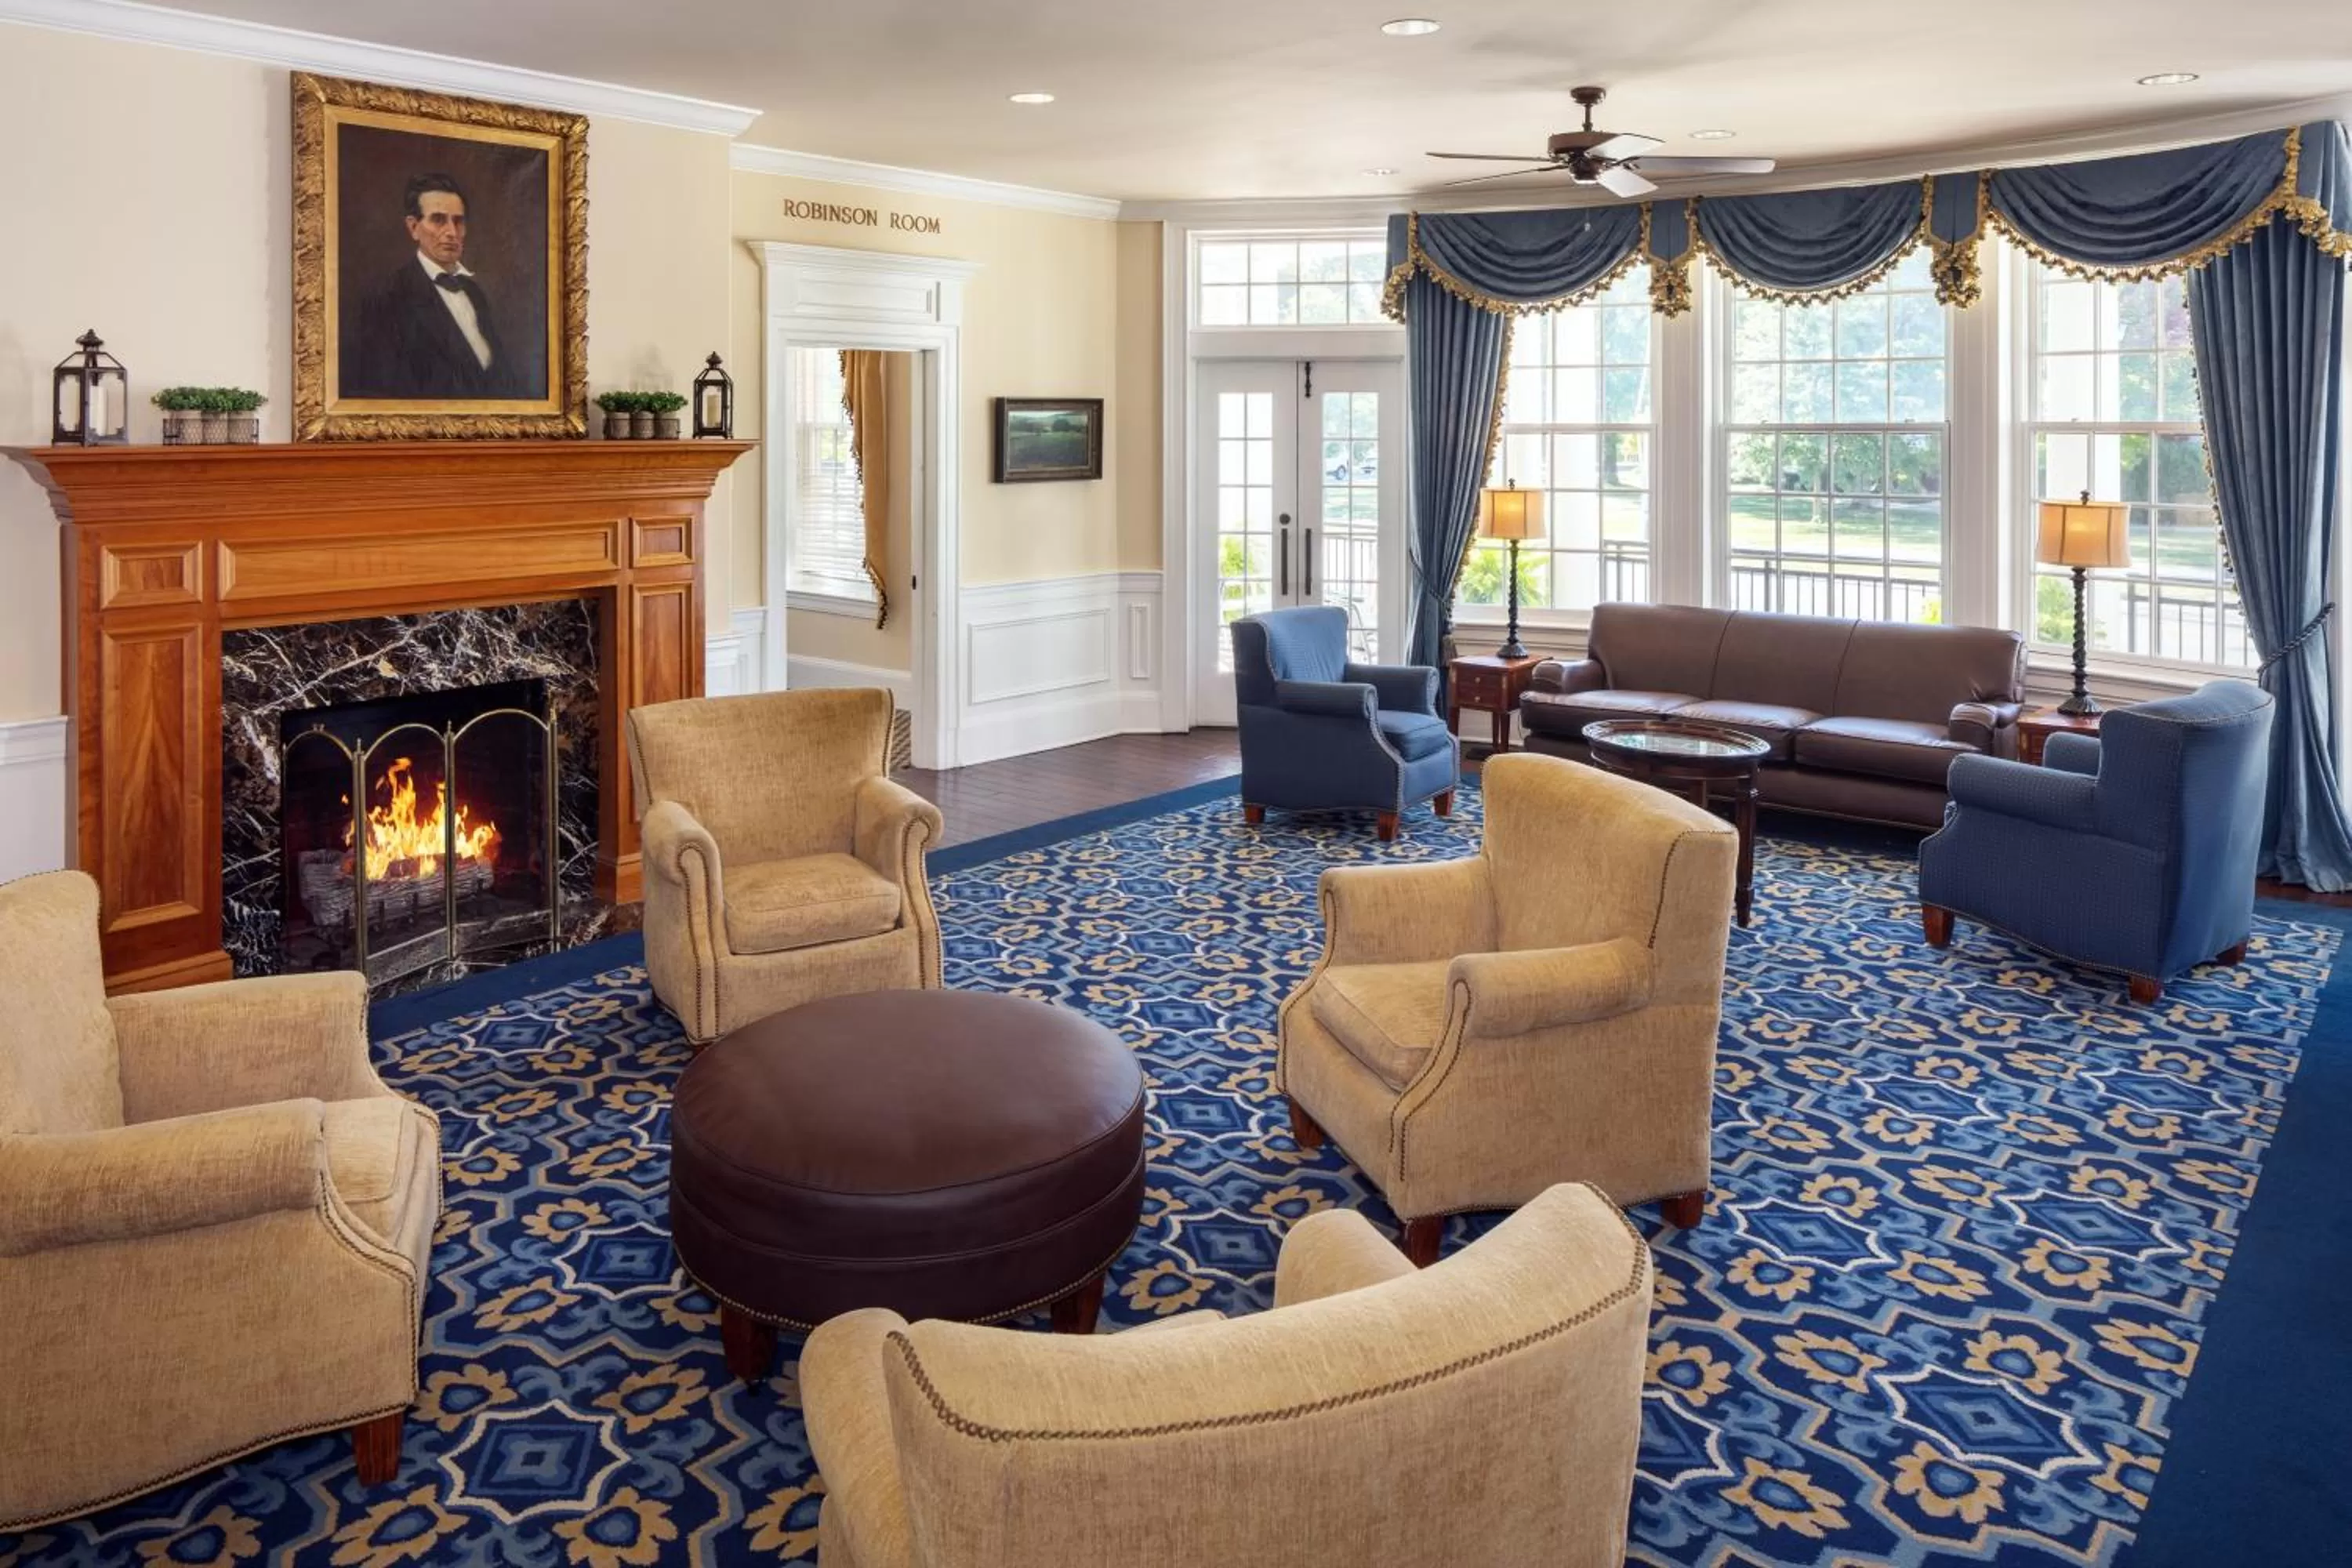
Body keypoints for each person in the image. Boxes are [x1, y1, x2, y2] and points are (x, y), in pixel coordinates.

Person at [343, 173, 531, 400]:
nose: (452, 232)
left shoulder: (475, 293)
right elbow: (380, 389)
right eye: (439, 220)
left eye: (458, 221)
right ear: (413, 227)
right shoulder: (387, 297)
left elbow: (499, 376)